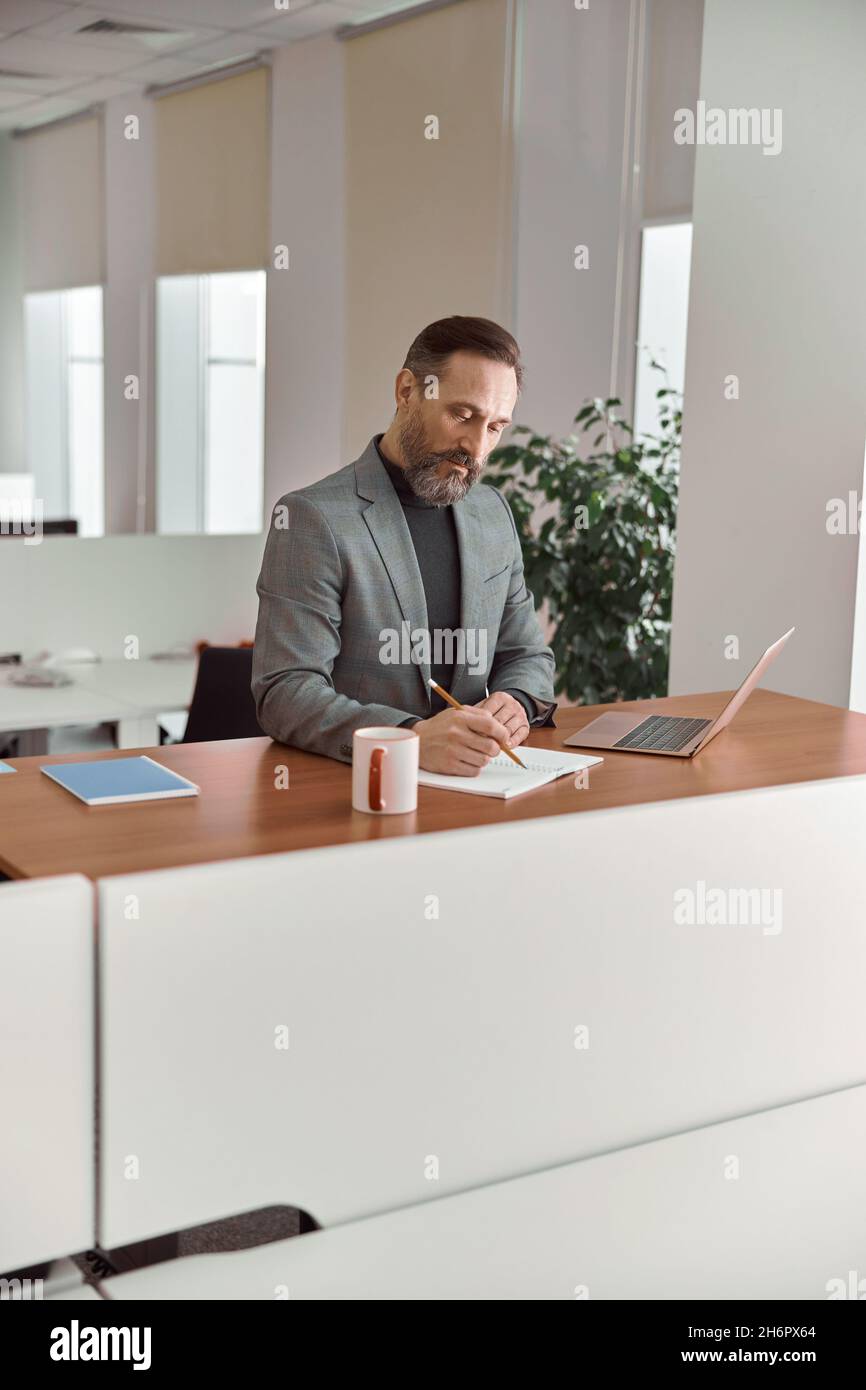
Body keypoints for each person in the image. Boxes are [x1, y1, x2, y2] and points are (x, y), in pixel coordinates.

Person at [252, 315, 556, 775]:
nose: (476, 448)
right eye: (463, 415)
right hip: (358, 792)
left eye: (495, 427)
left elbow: (528, 655)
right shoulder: (311, 518)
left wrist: (515, 702)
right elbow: (286, 692)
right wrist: (409, 738)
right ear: (407, 391)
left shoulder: (492, 511)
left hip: (479, 789)